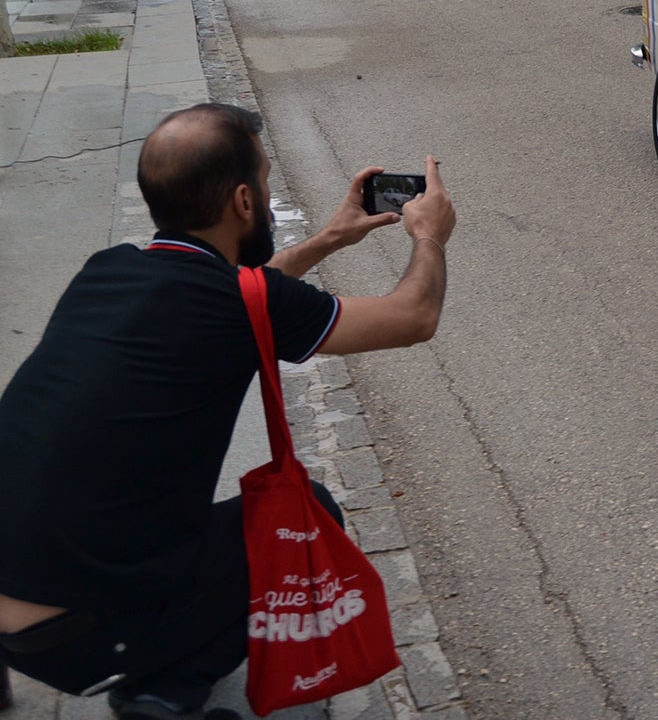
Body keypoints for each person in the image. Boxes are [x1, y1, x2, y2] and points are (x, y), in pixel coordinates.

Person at [0, 102, 456, 720]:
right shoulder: (234, 304)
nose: (267, 198)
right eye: (265, 183)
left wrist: (329, 238)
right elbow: (414, 317)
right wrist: (429, 234)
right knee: (309, 512)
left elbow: (244, 297)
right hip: (78, 636)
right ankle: (159, 688)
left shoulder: (108, 271)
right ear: (244, 202)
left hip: (18, 607)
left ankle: (152, 667)